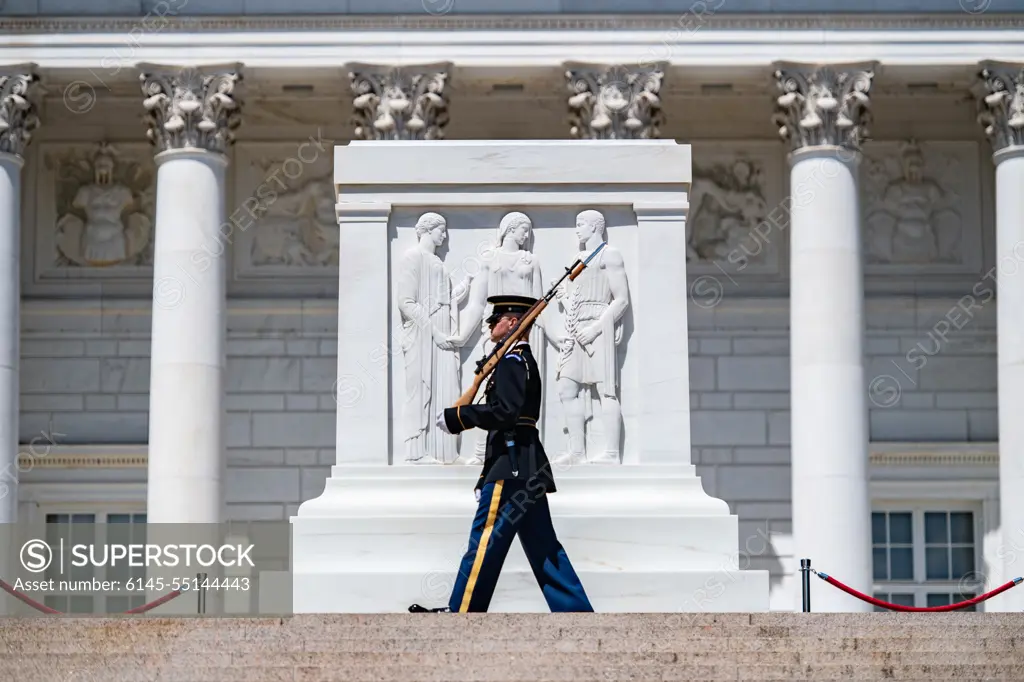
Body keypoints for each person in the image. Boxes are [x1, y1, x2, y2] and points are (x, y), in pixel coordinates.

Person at [414, 294, 594, 613]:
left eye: (496, 320)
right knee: (544, 548)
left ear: (512, 323)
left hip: (510, 467)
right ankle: (576, 613)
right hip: (527, 467)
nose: (491, 325)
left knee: (484, 541)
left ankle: (462, 611)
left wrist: (460, 417)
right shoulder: (517, 360)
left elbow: (506, 412)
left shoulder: (512, 361)